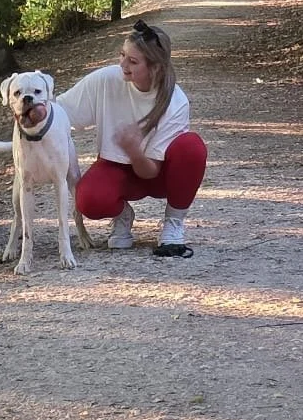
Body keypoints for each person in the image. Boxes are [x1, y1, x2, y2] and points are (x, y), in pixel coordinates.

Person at [58, 18, 208, 257]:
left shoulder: (175, 102)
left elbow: (150, 172)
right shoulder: (106, 80)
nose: (123, 65)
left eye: (133, 61)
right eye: (122, 55)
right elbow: (61, 113)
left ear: (155, 67)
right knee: (88, 200)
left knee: (192, 147)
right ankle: (122, 215)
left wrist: (133, 151)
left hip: (157, 173)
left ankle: (174, 223)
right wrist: (35, 112)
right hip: (116, 168)